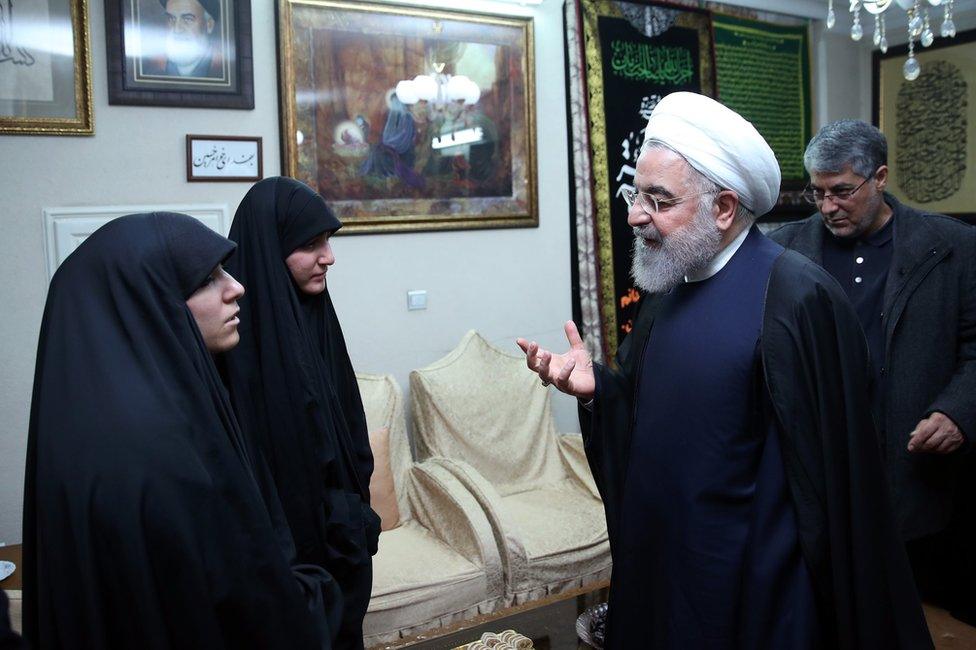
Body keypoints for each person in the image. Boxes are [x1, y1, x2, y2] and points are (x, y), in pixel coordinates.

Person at [518, 93, 931, 649]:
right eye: (637, 195)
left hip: (757, 590)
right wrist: (600, 392)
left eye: (659, 200)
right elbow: (651, 420)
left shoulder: (796, 298)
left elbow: (833, 480)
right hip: (668, 568)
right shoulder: (669, 288)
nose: (637, 214)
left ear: (723, 208)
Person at [22, 212, 340, 649]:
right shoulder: (159, 452)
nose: (236, 287)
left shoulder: (105, 424)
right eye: (207, 279)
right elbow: (244, 609)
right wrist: (316, 592)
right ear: (149, 303)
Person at [770, 120, 976, 615]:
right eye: (816, 192)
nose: (827, 208)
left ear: (880, 177)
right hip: (820, 462)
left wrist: (957, 412)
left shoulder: (952, 247)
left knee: (911, 611)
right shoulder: (784, 249)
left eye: (841, 192)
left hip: (913, 466)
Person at [221, 178, 379, 650]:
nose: (328, 257)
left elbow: (346, 424)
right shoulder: (230, 338)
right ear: (271, 250)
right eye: (310, 245)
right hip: (283, 565)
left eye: (327, 241)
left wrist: (353, 513)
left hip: (342, 545)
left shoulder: (315, 314)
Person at [144, 0, 222, 79]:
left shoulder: (222, 71)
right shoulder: (151, 71)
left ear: (209, 25)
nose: (177, 30)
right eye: (171, 18)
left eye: (187, 19)